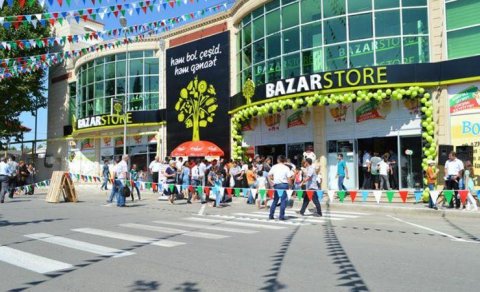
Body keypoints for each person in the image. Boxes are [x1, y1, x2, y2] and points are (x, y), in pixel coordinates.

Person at [268, 155, 293, 220]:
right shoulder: (286, 168)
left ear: (278, 160)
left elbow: (269, 175)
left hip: (276, 185)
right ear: (284, 160)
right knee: (283, 201)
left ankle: (271, 215)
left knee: (275, 200)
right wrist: (290, 186)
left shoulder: (274, 167)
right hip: (284, 185)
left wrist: (271, 182)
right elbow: (289, 178)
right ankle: (281, 216)